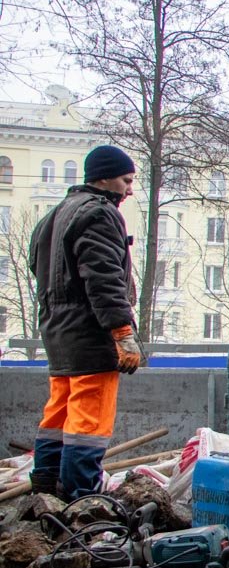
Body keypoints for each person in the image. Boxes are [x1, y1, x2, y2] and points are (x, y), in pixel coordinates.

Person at [28, 144, 143, 500]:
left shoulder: (54, 215)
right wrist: (122, 332)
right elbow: (104, 278)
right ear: (105, 178)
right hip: (90, 336)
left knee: (58, 413)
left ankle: (45, 488)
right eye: (126, 180)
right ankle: (82, 496)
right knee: (89, 419)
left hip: (57, 334)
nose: (129, 189)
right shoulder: (99, 214)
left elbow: (37, 267)